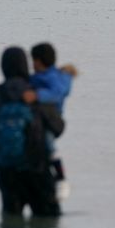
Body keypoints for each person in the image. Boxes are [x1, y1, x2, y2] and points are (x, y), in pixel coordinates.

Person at [0, 47, 65, 217]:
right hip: (37, 167)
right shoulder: (35, 92)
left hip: (6, 168)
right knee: (48, 226)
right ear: (25, 65)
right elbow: (58, 127)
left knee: (11, 227)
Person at [27, 43, 76, 199]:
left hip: (52, 120)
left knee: (49, 146)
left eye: (33, 60)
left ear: (39, 61)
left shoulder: (55, 78)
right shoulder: (36, 77)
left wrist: (38, 95)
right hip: (37, 119)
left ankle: (61, 179)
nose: (31, 64)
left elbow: (57, 93)